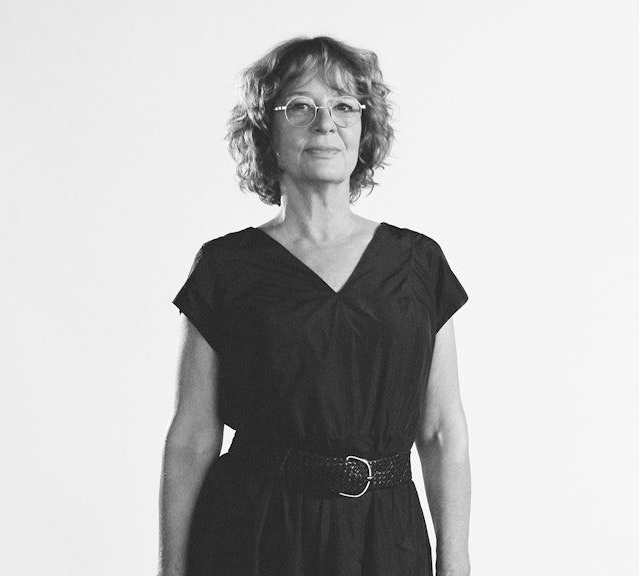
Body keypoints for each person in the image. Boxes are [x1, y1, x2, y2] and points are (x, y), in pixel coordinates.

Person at [160, 36, 471, 576]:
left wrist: (457, 562)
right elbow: (191, 438)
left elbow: (442, 431)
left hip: (386, 538)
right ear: (267, 130)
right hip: (254, 536)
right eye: (301, 105)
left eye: (345, 106)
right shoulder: (226, 267)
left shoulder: (418, 263)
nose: (326, 123)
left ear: (364, 129)